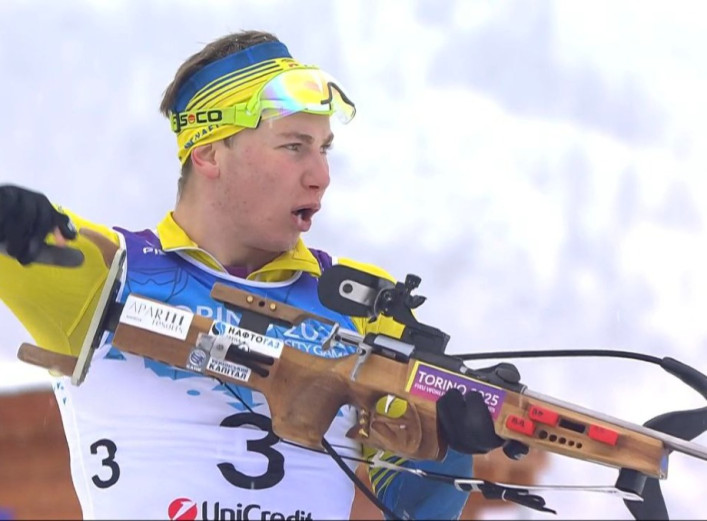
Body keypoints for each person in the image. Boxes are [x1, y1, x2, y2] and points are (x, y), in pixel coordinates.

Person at [0, 30, 521, 520]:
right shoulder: (108, 270)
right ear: (208, 152)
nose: (321, 176)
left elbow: (414, 508)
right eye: (294, 146)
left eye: (324, 148)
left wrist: (451, 443)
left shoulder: (359, 302)